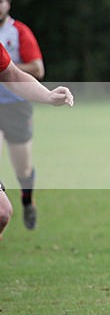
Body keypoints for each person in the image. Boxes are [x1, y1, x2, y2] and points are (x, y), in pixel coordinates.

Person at [0, 40, 73, 240]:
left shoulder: (18, 31)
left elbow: (13, 75)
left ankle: (27, 199)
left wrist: (48, 95)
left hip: (15, 110)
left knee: (2, 212)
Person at [0, 0, 45, 230]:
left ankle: (27, 201)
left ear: (8, 4)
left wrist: (7, 67)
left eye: (0, 1)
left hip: (16, 106)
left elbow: (38, 69)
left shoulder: (19, 31)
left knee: (23, 167)